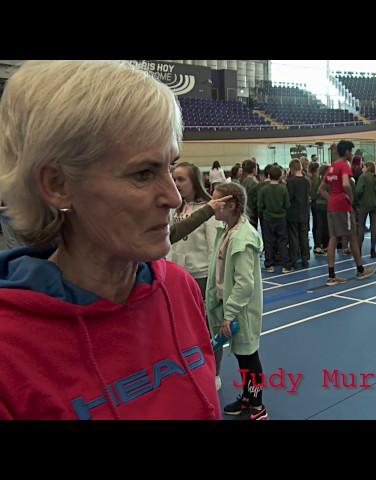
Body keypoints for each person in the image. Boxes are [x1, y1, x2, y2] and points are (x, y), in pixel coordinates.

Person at [0, 60, 224, 420]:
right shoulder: (9, 350)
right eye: (143, 173)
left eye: (170, 167)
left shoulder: (179, 288)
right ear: (58, 186)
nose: (174, 197)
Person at [205, 182, 268, 420]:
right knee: (241, 356)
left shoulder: (244, 237)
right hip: (227, 305)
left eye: (216, 202)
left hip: (241, 310)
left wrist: (230, 313)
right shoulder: (226, 231)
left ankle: (258, 405)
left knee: (249, 356)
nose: (212, 206)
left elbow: (244, 283)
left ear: (231, 205)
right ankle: (246, 397)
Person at [168, 161, 225, 391]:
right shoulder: (175, 208)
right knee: (182, 328)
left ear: (194, 181)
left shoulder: (208, 210)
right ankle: (191, 367)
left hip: (201, 276)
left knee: (209, 328)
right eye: (174, 178)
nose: (176, 183)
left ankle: (215, 372)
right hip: (178, 277)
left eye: (181, 179)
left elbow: (214, 248)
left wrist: (215, 282)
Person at [318, 140, 375, 285]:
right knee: (352, 237)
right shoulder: (344, 166)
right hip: (343, 207)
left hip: (332, 206)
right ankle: (360, 270)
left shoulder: (331, 167)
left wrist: (332, 199)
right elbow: (345, 183)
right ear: (348, 152)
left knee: (333, 238)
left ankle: (331, 276)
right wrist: (350, 196)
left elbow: (321, 189)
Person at [258, 165, 291, 273]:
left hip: (268, 219)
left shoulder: (264, 189)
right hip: (281, 219)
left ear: (268, 175)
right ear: (280, 176)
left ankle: (269, 265)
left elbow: (260, 205)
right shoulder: (283, 188)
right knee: (282, 241)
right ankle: (285, 265)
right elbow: (287, 205)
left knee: (268, 242)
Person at [286, 159, 311, 268]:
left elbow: (289, 197)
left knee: (293, 237)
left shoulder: (291, 181)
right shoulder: (306, 180)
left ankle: (294, 259)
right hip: (304, 212)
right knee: (304, 236)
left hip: (293, 212)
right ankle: (305, 259)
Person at [355, 161, 376, 257]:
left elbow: (358, 191)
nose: (362, 168)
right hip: (374, 206)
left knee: (361, 227)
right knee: (373, 228)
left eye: (363, 167)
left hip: (363, 205)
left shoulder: (363, 177)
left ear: (367, 167)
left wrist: (356, 201)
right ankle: (373, 250)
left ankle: (359, 250)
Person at [240, 159, 259, 229]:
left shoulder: (242, 181)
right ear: (254, 169)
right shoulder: (254, 183)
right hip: (252, 213)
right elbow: (256, 200)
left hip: (243, 212)